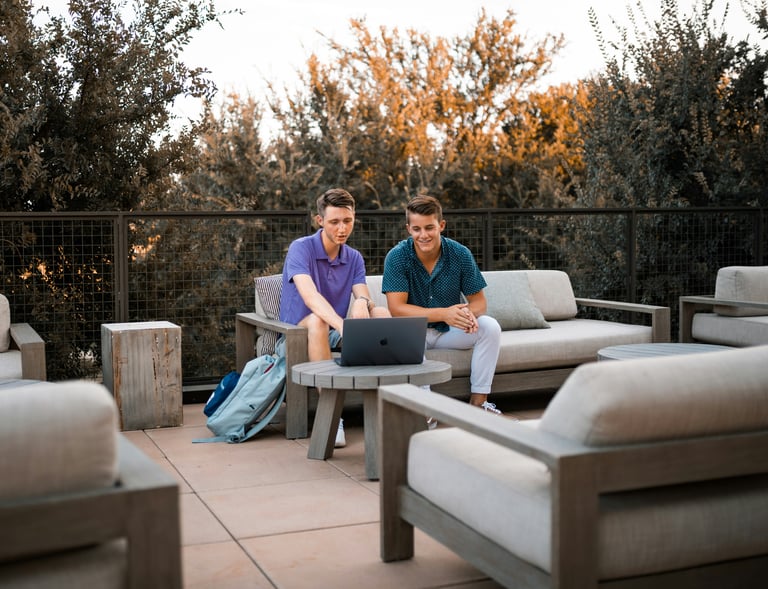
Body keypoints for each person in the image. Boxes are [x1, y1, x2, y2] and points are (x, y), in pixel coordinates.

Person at [280, 188, 390, 447]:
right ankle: (332, 417)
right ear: (319, 221)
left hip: (334, 332)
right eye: (335, 222)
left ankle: (389, 407)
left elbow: (362, 293)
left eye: (347, 221)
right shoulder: (301, 248)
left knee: (382, 312)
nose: (342, 228)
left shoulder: (353, 257)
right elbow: (310, 297)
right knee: (318, 320)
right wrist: (342, 325)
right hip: (296, 334)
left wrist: (363, 303)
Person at [382, 194, 502, 414]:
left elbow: (479, 303)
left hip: (449, 333)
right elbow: (397, 309)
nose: (423, 235)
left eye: (430, 228)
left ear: (441, 225)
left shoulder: (460, 254)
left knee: (490, 326)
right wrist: (444, 314)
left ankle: (479, 405)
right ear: (408, 228)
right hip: (413, 334)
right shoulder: (397, 257)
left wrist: (465, 316)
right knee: (405, 335)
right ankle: (426, 411)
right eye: (417, 229)